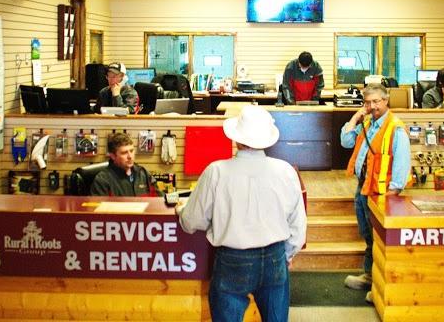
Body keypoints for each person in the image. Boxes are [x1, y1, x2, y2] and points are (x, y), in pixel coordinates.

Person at [177, 105, 307, 322]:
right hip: (275, 258)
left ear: (237, 139)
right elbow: (297, 226)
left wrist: (181, 210)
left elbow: (191, 221)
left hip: (232, 260)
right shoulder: (285, 171)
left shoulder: (216, 171)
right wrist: (288, 254)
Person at [340, 84, 411, 303]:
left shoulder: (395, 128)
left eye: (376, 102)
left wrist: (392, 193)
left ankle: (381, 285)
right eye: (367, 102)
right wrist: (356, 117)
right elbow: (346, 141)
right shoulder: (367, 123)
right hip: (363, 187)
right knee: (369, 235)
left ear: (386, 101)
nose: (372, 106)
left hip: (382, 194)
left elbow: (401, 166)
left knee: (381, 239)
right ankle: (370, 276)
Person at [90, 132, 160, 196]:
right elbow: (99, 205)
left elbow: (159, 199)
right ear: (113, 156)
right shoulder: (102, 180)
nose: (130, 156)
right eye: (124, 153)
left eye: (131, 151)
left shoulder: (143, 173)